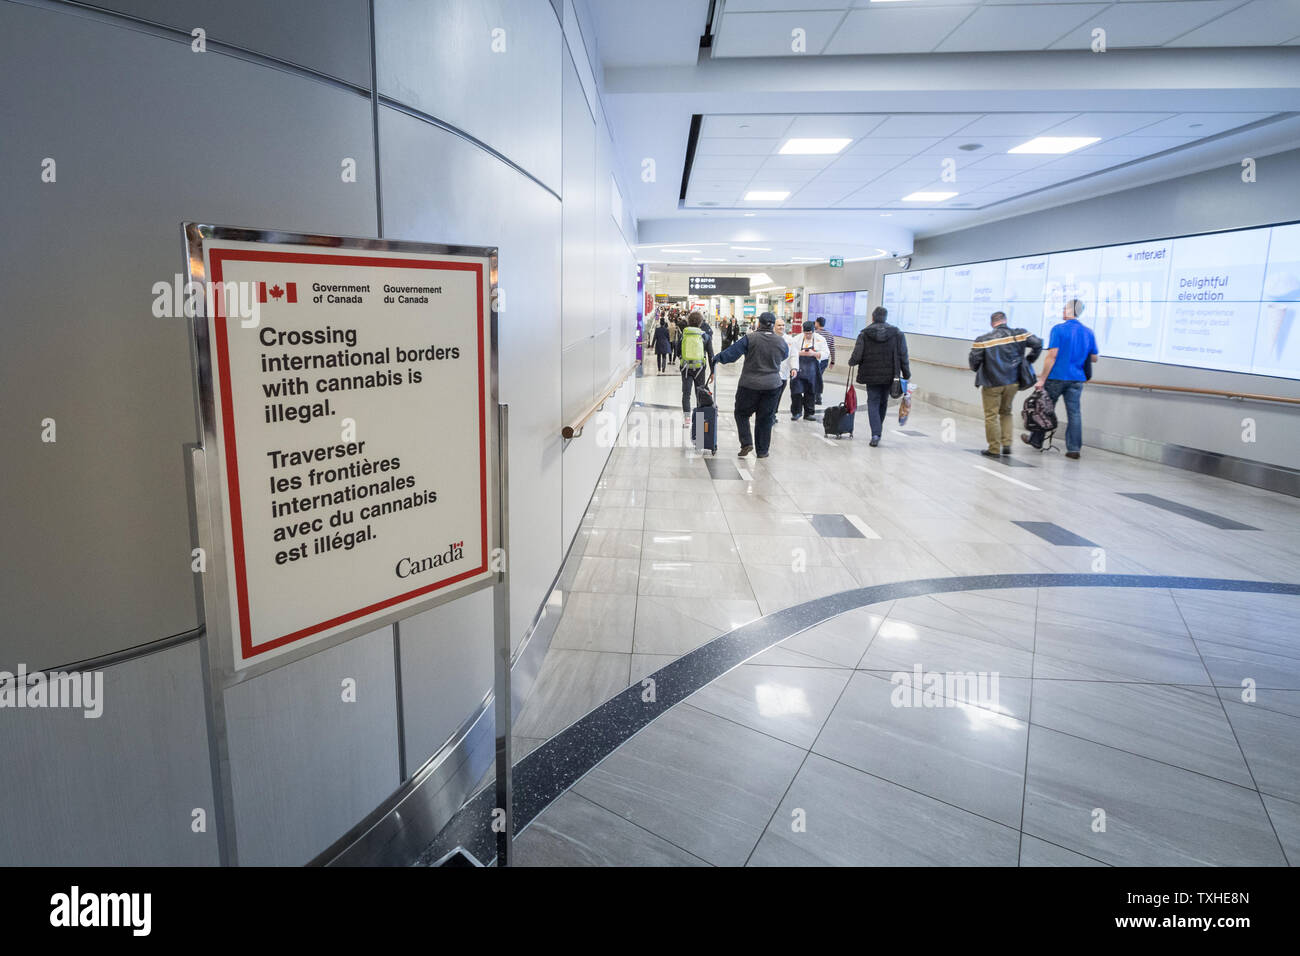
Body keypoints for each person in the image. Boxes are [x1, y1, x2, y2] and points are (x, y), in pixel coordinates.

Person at [714, 311, 788, 459]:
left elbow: (732, 354)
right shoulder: (781, 341)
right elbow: (784, 355)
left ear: (758, 323)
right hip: (773, 386)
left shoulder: (750, 338)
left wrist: (717, 358)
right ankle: (762, 451)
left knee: (741, 413)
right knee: (765, 418)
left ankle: (747, 442)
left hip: (750, 385)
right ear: (773, 325)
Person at [1031, 298, 1099, 460]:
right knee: (1074, 413)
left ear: (1070, 311)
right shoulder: (1088, 332)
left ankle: (1036, 440)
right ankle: (1074, 448)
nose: (1062, 311)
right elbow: (1094, 358)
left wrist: (1041, 379)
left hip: (1056, 377)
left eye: (1064, 308)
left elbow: (1052, 356)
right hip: (1076, 378)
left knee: (1045, 409)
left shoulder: (1058, 329)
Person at [969, 311, 1042, 458]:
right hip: (1013, 381)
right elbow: (1038, 343)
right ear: (1005, 321)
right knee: (1006, 412)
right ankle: (1007, 444)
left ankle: (994, 448)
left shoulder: (983, 340)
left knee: (991, 415)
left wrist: (980, 368)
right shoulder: (1020, 334)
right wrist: (1028, 361)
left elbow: (974, 363)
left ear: (992, 323)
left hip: (992, 382)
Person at [847, 305, 910, 447]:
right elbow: (903, 355)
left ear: (873, 317)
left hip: (871, 375)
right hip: (890, 375)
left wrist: (852, 361)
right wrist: (906, 373)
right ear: (886, 317)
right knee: (883, 402)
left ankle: (875, 433)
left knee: (873, 402)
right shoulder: (897, 334)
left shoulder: (864, 334)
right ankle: (877, 431)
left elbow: (858, 354)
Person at [678, 311, 715, 426]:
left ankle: (687, 420)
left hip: (685, 368)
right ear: (700, 322)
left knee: (686, 394)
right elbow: (711, 355)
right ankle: (699, 421)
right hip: (700, 369)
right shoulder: (705, 336)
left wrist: (683, 358)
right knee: (700, 393)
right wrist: (712, 371)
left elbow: (677, 350)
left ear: (689, 321)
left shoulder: (683, 334)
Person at [789, 320, 829, 421]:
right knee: (796, 391)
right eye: (806, 333)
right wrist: (800, 353)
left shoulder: (821, 339)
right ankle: (796, 412)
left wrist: (814, 354)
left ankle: (809, 413)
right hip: (798, 368)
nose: (808, 335)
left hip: (812, 369)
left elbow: (826, 353)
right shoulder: (796, 339)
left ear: (813, 331)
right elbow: (791, 353)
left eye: (810, 333)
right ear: (803, 332)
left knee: (811, 391)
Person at [814, 317, 836, 404]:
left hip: (815, 359)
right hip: (825, 360)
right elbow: (832, 349)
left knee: (813, 377)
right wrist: (833, 361)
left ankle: (815, 396)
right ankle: (818, 397)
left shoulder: (814, 334)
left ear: (817, 323)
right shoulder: (830, 335)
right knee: (819, 377)